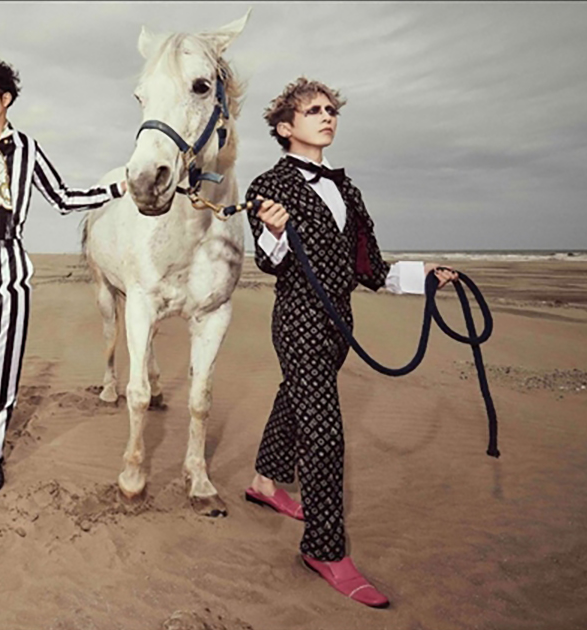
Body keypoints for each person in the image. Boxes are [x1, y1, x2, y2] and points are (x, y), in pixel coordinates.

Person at [243, 77, 459, 608]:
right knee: (324, 433)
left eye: (331, 109)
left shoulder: (347, 191)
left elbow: (371, 269)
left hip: (340, 326)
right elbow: (269, 262)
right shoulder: (268, 185)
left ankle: (265, 483)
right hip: (298, 322)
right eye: (313, 110)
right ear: (285, 128)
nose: (327, 116)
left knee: (294, 398)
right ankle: (324, 550)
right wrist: (274, 231)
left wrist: (424, 275)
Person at [0, 60, 128, 496]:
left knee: (3, 366)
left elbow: (63, 197)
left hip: (8, 261)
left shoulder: (28, 149)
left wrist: (114, 190)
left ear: (6, 98)